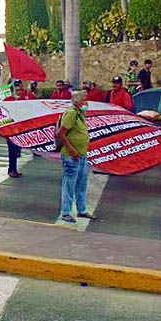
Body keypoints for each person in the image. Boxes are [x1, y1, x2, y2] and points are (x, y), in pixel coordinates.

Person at [57, 91, 95, 223]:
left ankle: (82, 210)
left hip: (81, 155)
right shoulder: (71, 113)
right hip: (71, 156)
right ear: (78, 101)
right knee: (69, 184)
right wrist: (72, 150)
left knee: (81, 183)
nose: (87, 102)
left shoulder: (81, 114)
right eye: (85, 99)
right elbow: (61, 134)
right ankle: (66, 212)